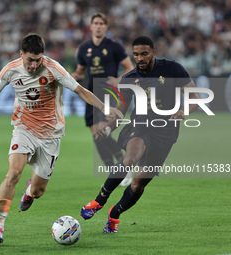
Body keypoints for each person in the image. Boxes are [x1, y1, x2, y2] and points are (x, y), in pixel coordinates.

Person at [0, 33, 123, 244]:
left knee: (38, 191)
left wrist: (104, 107)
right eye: (30, 60)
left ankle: (29, 191)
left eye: (38, 60)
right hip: (23, 128)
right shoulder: (10, 70)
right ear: (21, 54)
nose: (34, 65)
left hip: (51, 135)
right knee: (13, 173)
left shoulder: (53, 68)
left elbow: (81, 90)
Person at [80, 36, 201, 233]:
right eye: (136, 54)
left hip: (165, 133)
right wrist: (109, 128)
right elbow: (120, 112)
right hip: (140, 125)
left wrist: (184, 112)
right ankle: (99, 200)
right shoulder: (129, 79)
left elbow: (195, 97)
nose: (140, 58)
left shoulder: (173, 69)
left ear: (153, 52)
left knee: (137, 185)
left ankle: (114, 214)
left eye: (144, 54)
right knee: (129, 159)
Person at [71, 13, 134, 186]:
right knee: (96, 136)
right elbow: (81, 72)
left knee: (101, 132)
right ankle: (115, 171)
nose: (98, 26)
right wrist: (72, 77)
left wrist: (118, 80)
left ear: (106, 27)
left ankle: (123, 167)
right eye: (95, 23)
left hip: (109, 93)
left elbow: (130, 68)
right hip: (90, 94)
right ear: (90, 27)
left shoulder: (114, 46)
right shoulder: (84, 49)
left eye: (101, 23)